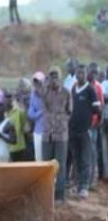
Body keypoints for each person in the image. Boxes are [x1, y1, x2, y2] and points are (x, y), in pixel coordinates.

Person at [38, 65, 72, 202]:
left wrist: (60, 123)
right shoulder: (45, 92)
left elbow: (70, 111)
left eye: (56, 75)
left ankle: (59, 194)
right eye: (51, 76)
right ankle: (47, 193)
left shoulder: (66, 92)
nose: (54, 78)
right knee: (46, 165)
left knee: (60, 165)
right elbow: (38, 92)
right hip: (47, 134)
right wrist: (46, 83)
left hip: (61, 134)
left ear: (60, 77)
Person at [68, 65, 99, 198]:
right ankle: (76, 184)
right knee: (76, 157)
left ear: (86, 75)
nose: (80, 75)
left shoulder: (90, 90)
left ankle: (84, 186)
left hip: (85, 130)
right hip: (73, 129)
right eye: (78, 73)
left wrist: (89, 122)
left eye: (82, 73)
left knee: (85, 158)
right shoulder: (74, 88)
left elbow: (97, 109)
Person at [27, 72, 46, 161]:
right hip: (38, 131)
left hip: (49, 131)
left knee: (48, 157)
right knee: (38, 157)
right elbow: (31, 114)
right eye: (35, 82)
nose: (37, 85)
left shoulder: (48, 94)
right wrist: (41, 112)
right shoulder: (33, 96)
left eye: (39, 82)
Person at [5, 92, 28, 161]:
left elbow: (25, 128)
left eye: (10, 100)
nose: (8, 102)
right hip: (7, 148)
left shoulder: (19, 112)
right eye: (6, 100)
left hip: (19, 146)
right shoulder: (3, 113)